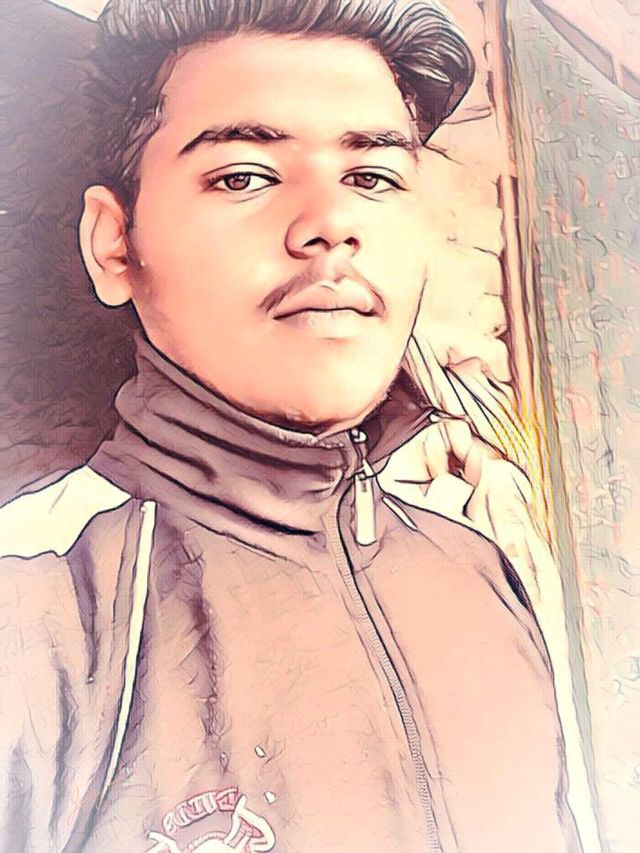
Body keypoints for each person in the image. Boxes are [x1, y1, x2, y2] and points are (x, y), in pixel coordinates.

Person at [0, 1, 582, 851]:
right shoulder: (38, 600)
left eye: (372, 177)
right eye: (244, 176)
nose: (330, 225)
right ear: (115, 244)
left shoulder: (479, 575)